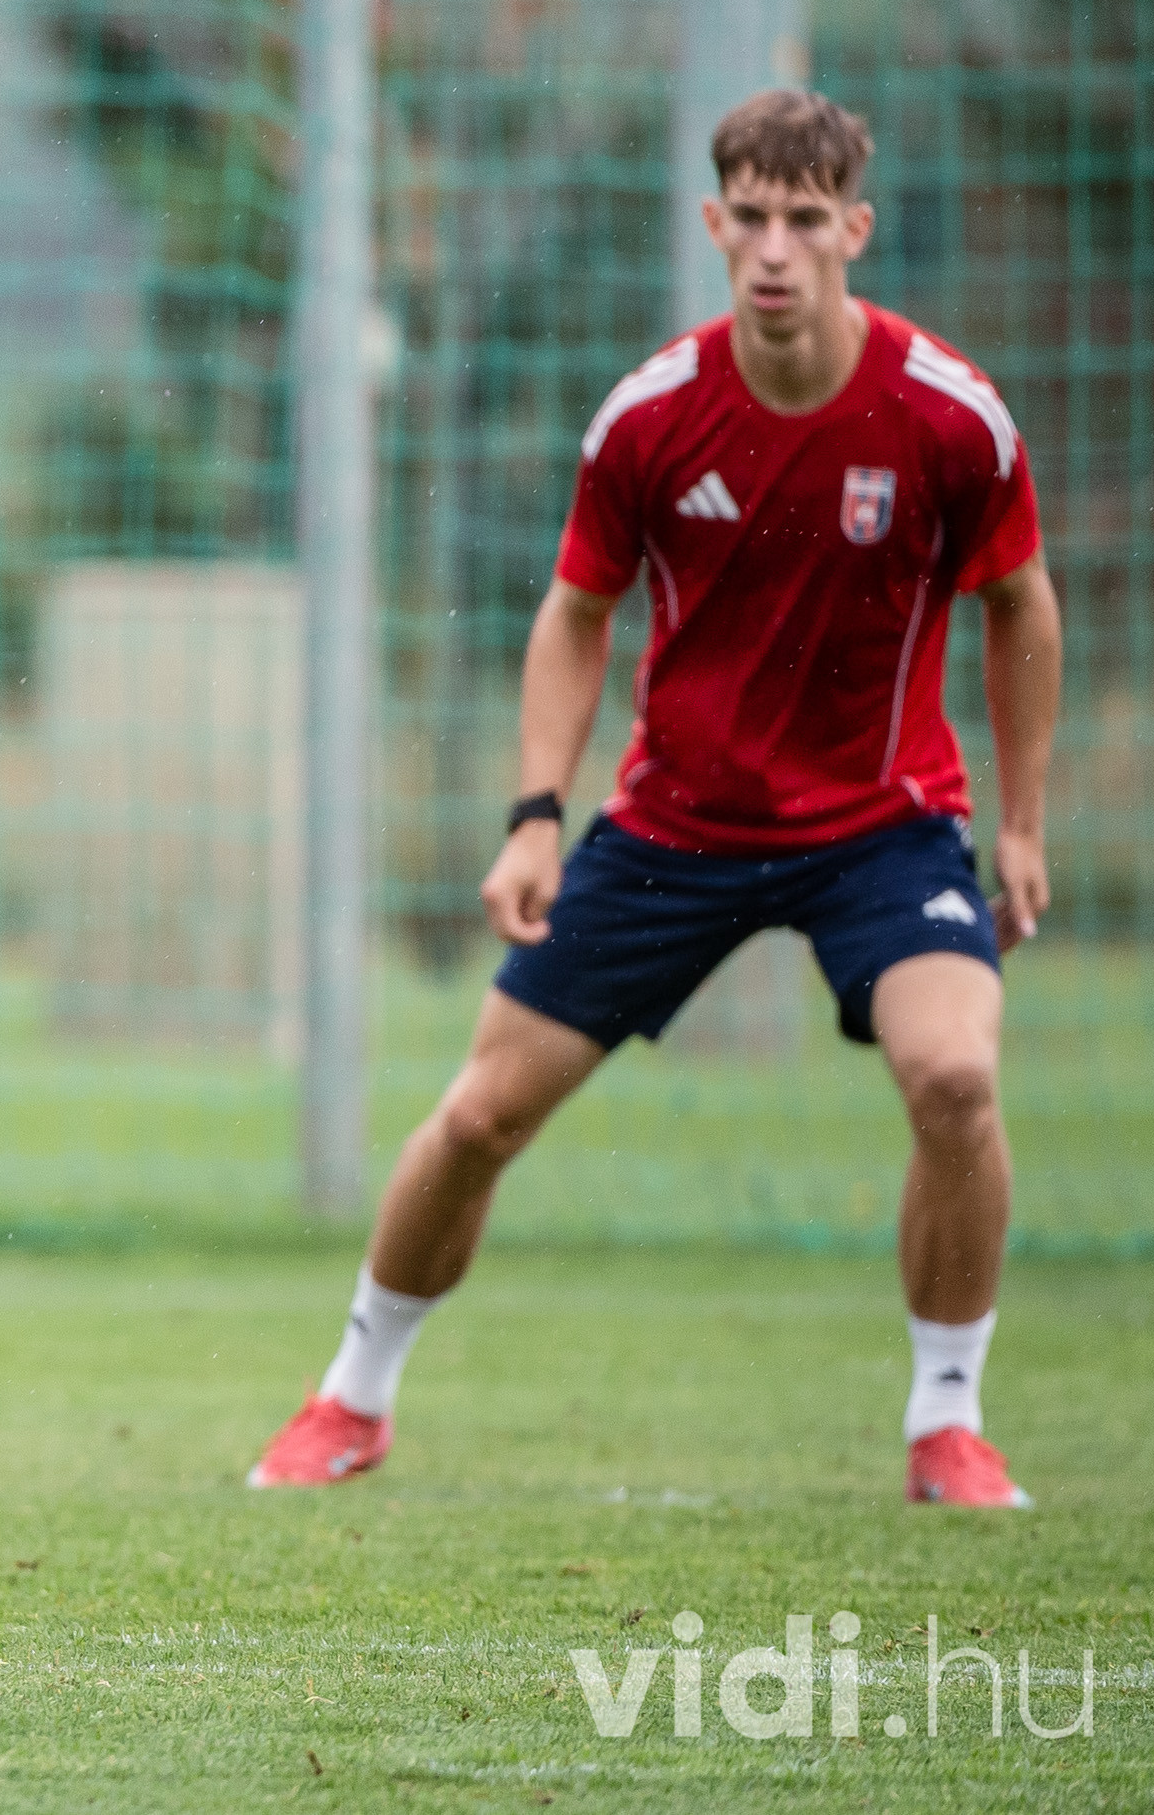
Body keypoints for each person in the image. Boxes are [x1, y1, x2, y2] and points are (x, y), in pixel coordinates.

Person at [248, 89, 1060, 1509]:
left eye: (805, 220)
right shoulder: (653, 416)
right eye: (750, 217)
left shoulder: (950, 415)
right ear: (712, 224)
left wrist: (1026, 822)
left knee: (955, 1076)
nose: (775, 248)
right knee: (482, 1114)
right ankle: (352, 1397)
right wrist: (534, 815)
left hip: (883, 825)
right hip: (676, 824)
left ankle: (948, 1421)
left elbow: (1022, 606)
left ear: (855, 230)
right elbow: (576, 615)